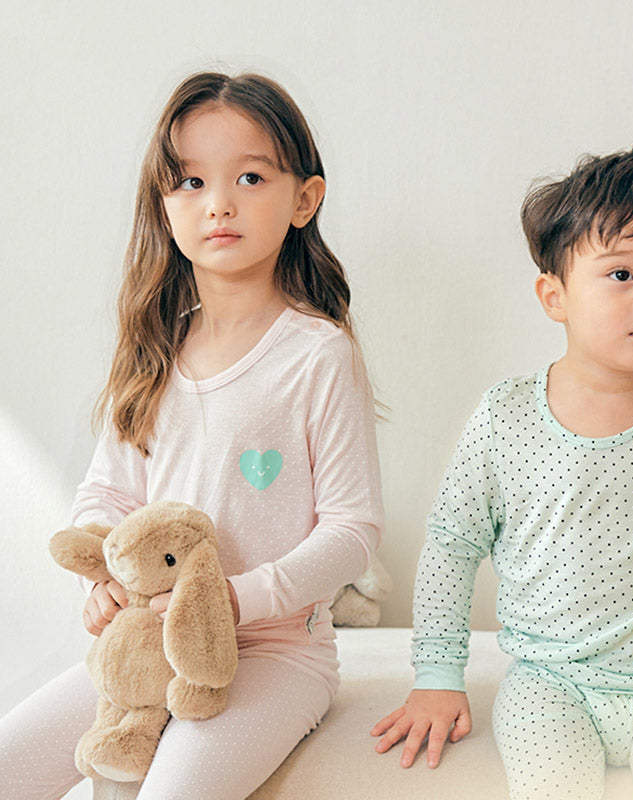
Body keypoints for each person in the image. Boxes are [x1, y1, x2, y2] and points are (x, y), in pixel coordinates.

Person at [372, 144, 633, 799]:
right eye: (622, 274)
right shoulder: (507, 419)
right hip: (551, 684)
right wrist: (437, 675)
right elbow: (453, 546)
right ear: (555, 295)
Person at [0, 71, 383, 800]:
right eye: (191, 182)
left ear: (304, 200)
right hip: (147, 642)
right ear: (164, 205)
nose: (219, 203)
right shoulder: (153, 349)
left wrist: (236, 601)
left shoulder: (317, 354)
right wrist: (101, 581)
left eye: (250, 177)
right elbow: (107, 494)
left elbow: (353, 530)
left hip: (274, 653)